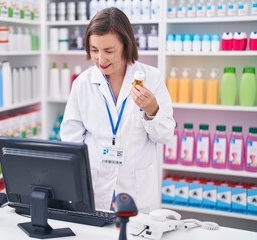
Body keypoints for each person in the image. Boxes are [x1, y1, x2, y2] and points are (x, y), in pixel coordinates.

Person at [60, 7, 176, 213]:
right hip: (95, 186)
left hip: (136, 186)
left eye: (109, 51)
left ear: (126, 45)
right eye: (94, 50)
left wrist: (152, 110)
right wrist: (79, 184)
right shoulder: (83, 83)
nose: (101, 59)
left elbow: (165, 135)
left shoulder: (151, 78)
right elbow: (71, 139)